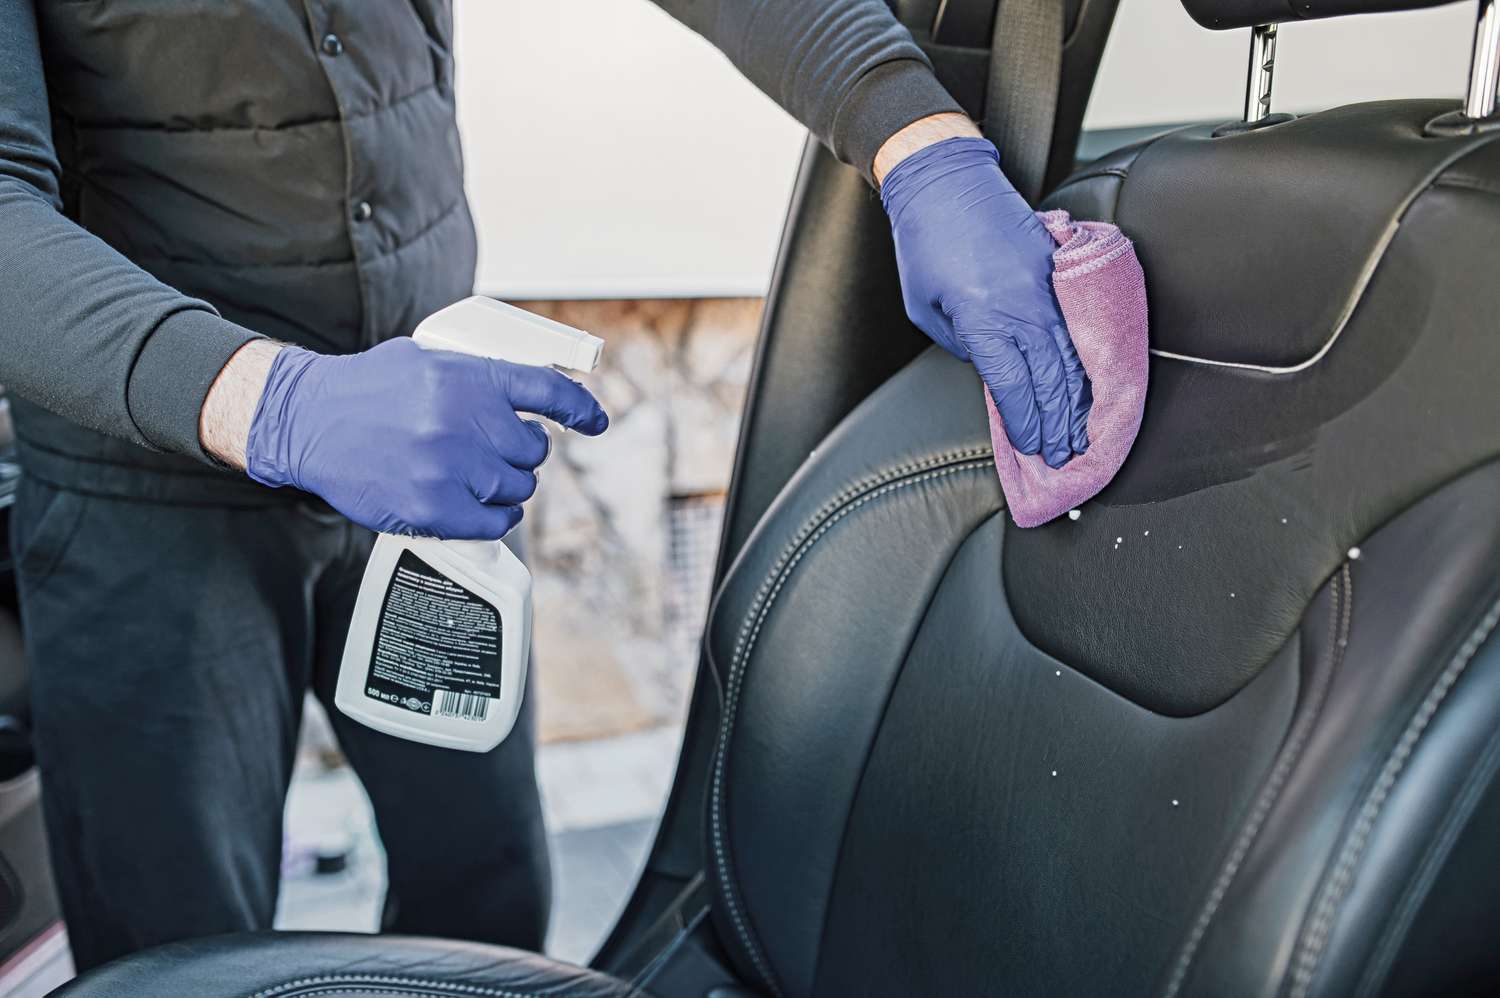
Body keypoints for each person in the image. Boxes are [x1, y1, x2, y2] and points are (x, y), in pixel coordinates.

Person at [0, 0, 1088, 972]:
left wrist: (918, 138)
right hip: (145, 497)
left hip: (425, 464)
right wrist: (282, 404)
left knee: (487, 896)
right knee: (175, 948)